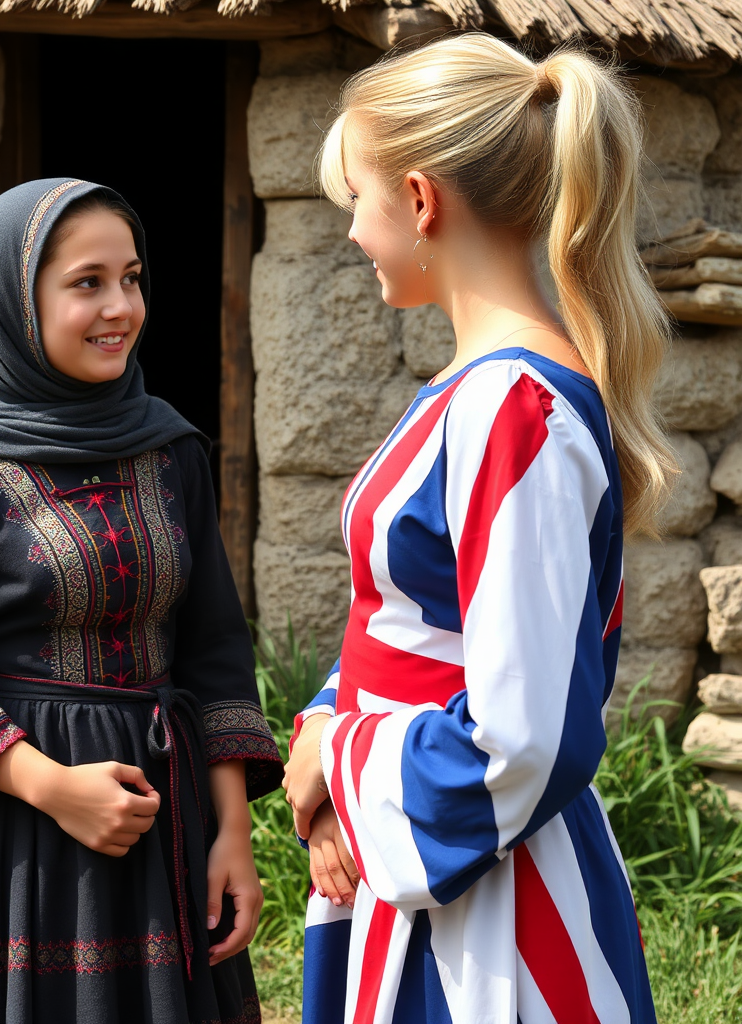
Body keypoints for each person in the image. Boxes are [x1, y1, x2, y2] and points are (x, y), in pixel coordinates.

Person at [282, 33, 675, 1024]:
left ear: (419, 201)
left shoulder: (513, 412)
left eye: (358, 204)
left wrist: (342, 760)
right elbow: (404, 624)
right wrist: (325, 743)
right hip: (422, 877)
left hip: (488, 920)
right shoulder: (473, 397)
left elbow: (521, 738)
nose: (353, 234)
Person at [0, 178, 283, 1024]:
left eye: (131, 278)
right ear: (14, 302)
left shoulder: (169, 449)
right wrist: (56, 788)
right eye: (87, 282)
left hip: (166, 825)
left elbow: (212, 649)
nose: (120, 307)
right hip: (15, 840)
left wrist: (230, 832)